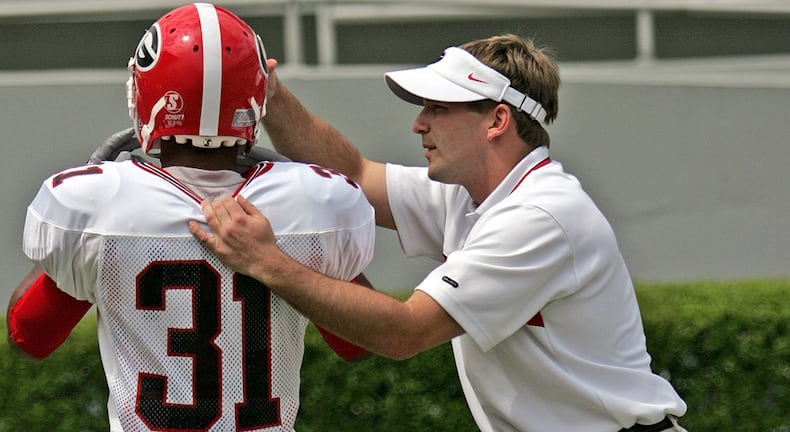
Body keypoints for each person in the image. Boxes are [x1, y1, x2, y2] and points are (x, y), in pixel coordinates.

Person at [190, 34, 689, 431]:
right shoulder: (471, 191)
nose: (419, 124)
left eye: (439, 107)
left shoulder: (540, 216)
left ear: (497, 121)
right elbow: (355, 174)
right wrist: (271, 97)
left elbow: (405, 331)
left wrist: (266, 261)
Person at [8, 2, 375, 431]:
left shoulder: (99, 203)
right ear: (257, 98)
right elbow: (359, 343)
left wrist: (87, 253)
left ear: (145, 93)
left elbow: (28, 336)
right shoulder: (314, 201)